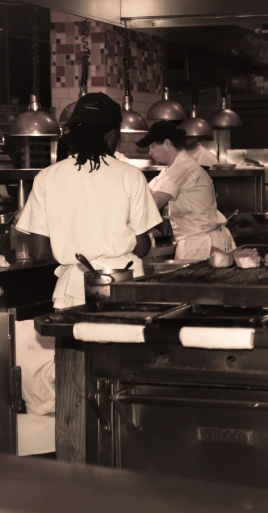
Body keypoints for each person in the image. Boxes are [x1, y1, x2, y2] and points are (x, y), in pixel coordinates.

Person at [14, 93, 162, 432]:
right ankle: (126, 435)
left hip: (72, 288)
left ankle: (77, 438)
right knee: (121, 366)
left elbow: (38, 251)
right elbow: (140, 245)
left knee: (74, 366)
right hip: (123, 286)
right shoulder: (129, 176)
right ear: (112, 135)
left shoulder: (48, 177)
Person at [137, 121, 235, 259]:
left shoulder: (182, 168)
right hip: (201, 242)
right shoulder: (170, 170)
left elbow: (153, 201)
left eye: (152, 146)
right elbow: (143, 193)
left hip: (201, 245)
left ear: (167, 143)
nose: (150, 152)